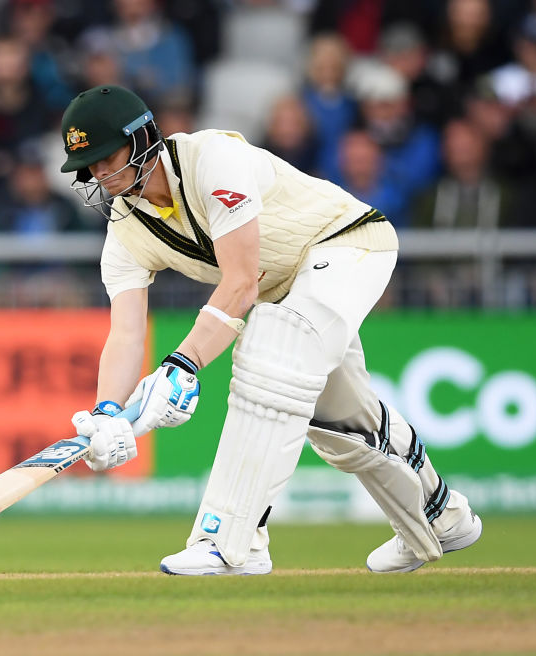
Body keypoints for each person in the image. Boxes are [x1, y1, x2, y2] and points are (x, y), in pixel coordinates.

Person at [59, 85, 482, 576]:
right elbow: (126, 333)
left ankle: (230, 541)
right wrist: (109, 411)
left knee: (270, 351)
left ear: (142, 137)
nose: (99, 174)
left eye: (106, 157)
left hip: (348, 243)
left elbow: (240, 284)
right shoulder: (126, 227)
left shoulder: (212, 160)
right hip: (285, 289)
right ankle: (442, 516)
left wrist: (183, 365)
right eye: (87, 166)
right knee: (339, 420)